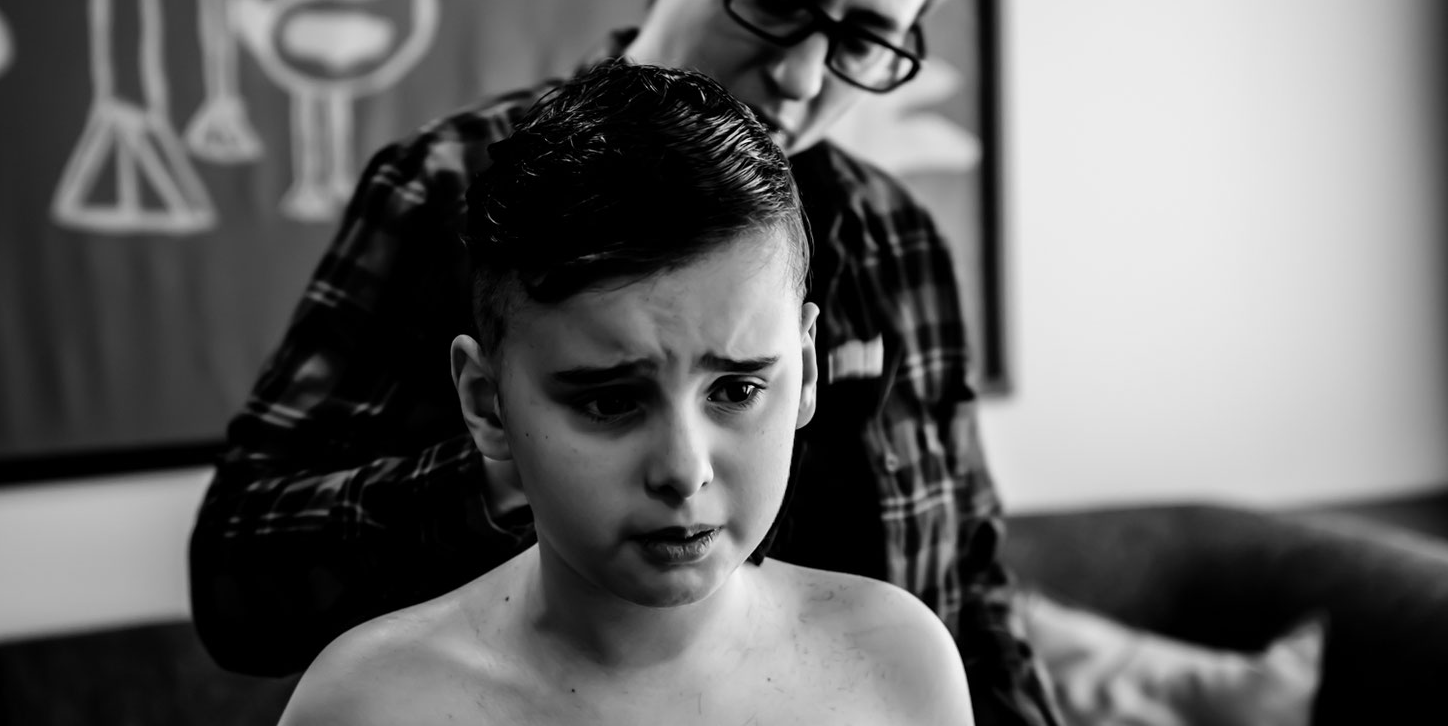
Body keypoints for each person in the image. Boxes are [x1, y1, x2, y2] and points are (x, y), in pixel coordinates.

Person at [191, 0, 1062, 724]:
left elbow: (972, 586)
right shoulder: (450, 188)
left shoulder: (896, 238)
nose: (803, 78)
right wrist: (524, 451)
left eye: (863, 39)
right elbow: (239, 576)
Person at [274, 61, 975, 726]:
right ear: (488, 403)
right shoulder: (372, 706)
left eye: (736, 388)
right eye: (610, 401)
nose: (683, 470)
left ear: (807, 371)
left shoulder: (899, 664)